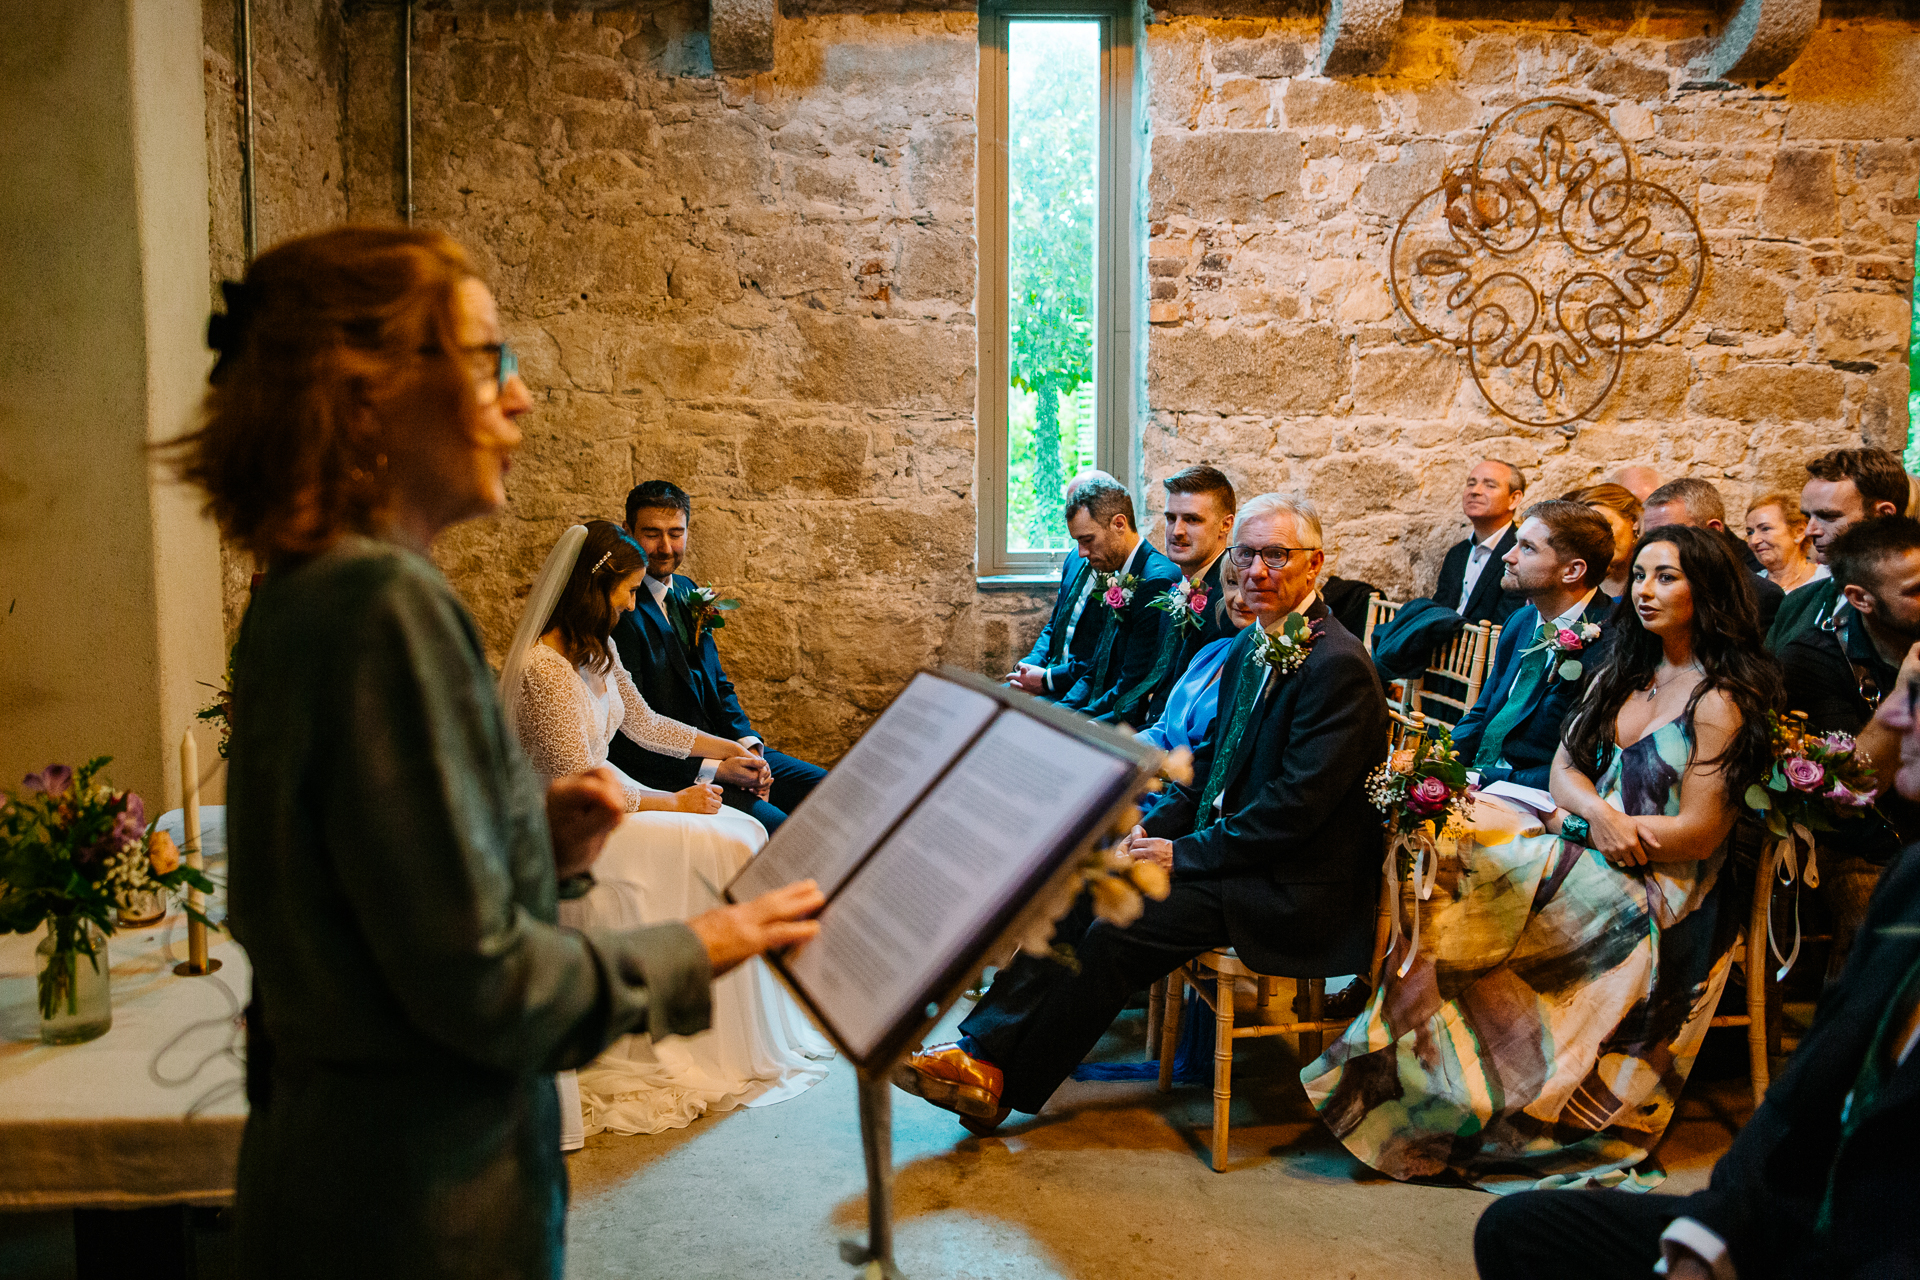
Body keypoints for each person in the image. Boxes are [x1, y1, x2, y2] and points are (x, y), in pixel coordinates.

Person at [168, 226, 823, 1278]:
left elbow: (391, 910)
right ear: (368, 391)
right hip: (416, 1205)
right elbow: (482, 990)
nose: (519, 397)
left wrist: (534, 839)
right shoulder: (381, 604)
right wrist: (706, 941)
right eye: (488, 362)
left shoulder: (308, 582)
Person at [1306, 525, 1784, 1190]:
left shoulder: (1722, 698)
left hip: (1665, 886)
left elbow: (1700, 834)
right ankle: (1418, 1073)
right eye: (1640, 574)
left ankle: (1494, 1093)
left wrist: (1604, 830)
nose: (1645, 591)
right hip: (1597, 841)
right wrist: (1596, 816)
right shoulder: (1628, 669)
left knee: (1485, 873)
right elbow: (1565, 769)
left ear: (1709, 590)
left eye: (1666, 576)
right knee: (1455, 849)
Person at [898, 492, 1388, 1130]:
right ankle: (979, 1055)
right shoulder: (1253, 646)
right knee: (1090, 877)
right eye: (1246, 554)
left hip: (1291, 884)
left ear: (1314, 564)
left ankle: (1004, 1083)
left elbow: (1292, 812)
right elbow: (1212, 771)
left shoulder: (1337, 665)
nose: (1257, 571)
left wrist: (1180, 855)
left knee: (1121, 922)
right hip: (1240, 854)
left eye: (1277, 555)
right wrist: (1145, 832)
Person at [1473, 673, 1920, 1280]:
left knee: (1516, 897)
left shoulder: (1722, 701)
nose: (1891, 716)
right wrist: (1708, 1239)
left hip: (1882, 1249)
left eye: (1916, 695)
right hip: (1806, 1223)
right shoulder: (1911, 882)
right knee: (1519, 1231)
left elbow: (1700, 832)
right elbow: (1801, 1096)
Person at [505, 520, 831, 1137]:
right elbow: (584, 781)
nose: (632, 603)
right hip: (577, 831)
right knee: (729, 841)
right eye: (625, 592)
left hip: (620, 806)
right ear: (592, 590)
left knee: (746, 834)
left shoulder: (598, 648)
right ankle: (702, 1041)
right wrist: (673, 803)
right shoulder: (542, 670)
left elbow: (648, 724)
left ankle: (737, 1040)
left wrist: (728, 744)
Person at [607, 481, 825, 832]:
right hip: (672, 770)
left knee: (827, 791)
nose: (665, 548)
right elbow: (631, 732)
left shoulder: (689, 591)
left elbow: (719, 686)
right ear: (628, 532)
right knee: (780, 829)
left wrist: (749, 748)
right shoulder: (621, 611)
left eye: (675, 533)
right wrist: (715, 768)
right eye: (652, 534)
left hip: (727, 750)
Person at [1777, 515, 1920, 983]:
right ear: (1862, 599)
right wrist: (1905, 692)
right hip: (1869, 841)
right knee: (1876, 931)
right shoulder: (1814, 657)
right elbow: (1849, 788)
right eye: (1916, 591)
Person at [1452, 500, 1618, 790]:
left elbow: (1588, 763)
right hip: (1482, 779)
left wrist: (1483, 778)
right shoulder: (1521, 621)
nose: (1508, 556)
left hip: (1540, 798)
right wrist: (1443, 759)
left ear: (1572, 571)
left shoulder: (1612, 643)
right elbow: (1484, 711)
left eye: (1527, 548)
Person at [1008, 474, 1181, 710]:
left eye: (1088, 540)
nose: (1081, 553)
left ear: (1119, 524)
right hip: (1082, 696)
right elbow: (1096, 668)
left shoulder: (1155, 579)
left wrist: (1065, 715)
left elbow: (1131, 684)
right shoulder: (1120, 570)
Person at [1091, 464, 1237, 726]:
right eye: (1171, 518)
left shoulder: (1228, 604)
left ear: (1225, 525)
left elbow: (1202, 714)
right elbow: (1150, 681)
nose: (1176, 531)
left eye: (1192, 520)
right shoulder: (1178, 586)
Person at [1768, 447, 1908, 649]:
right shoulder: (1798, 603)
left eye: (1828, 517)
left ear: (1884, 515)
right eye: (1809, 517)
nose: (1810, 531)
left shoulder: (1909, 605)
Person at [1138, 557, 1255, 756]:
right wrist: (1117, 747)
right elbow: (1162, 729)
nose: (1239, 599)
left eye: (1252, 586)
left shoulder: (1260, 668)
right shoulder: (1212, 651)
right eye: (1232, 583)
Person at [1643, 477, 1784, 632]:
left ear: (1713, 531)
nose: (1656, 546)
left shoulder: (1757, 597)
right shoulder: (1646, 591)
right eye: (1650, 537)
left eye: (1670, 535)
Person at [1434, 458, 1528, 625]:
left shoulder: (1521, 554)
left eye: (1490, 485)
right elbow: (1439, 611)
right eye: (1471, 484)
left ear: (1513, 499)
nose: (1475, 491)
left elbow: (1506, 625)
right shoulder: (1457, 554)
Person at [1565, 482, 1643, 600]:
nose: (1599, 537)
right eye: (1589, 530)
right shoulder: (1578, 582)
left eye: (1606, 525)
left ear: (1634, 521)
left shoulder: (1653, 579)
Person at [1745, 490, 1822, 595]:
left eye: (1765, 529)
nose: (1754, 541)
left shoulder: (1825, 580)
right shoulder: (1748, 588)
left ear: (1799, 531)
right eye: (1750, 532)